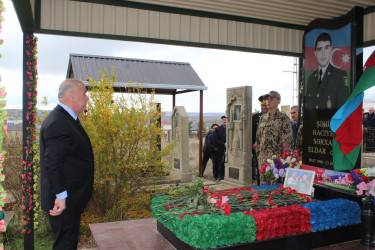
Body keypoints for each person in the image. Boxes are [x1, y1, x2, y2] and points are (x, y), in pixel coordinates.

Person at [40, 79, 94, 250]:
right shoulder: (59, 122)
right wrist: (61, 196)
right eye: (84, 93)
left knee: (68, 243)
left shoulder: (65, 119)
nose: (87, 98)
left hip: (70, 200)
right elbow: (52, 163)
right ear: (72, 95)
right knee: (65, 245)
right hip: (64, 203)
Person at [305, 32, 349, 110]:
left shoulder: (339, 76)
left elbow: (343, 109)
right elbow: (308, 109)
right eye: (319, 49)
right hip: (314, 122)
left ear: (331, 50)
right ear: (315, 53)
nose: (323, 53)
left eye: (326, 48)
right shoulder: (311, 78)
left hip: (332, 121)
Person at [255, 91, 293, 170]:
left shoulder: (283, 118)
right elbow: (258, 138)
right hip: (262, 161)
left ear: (278, 101)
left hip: (276, 162)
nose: (268, 101)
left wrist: (283, 161)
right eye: (267, 99)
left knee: (274, 182)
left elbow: (287, 142)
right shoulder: (263, 118)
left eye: (271, 99)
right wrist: (259, 156)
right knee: (262, 182)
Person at [252, 95, 268, 182]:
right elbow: (251, 133)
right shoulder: (255, 117)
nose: (264, 107)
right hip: (256, 147)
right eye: (262, 105)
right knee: (258, 167)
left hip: (268, 147)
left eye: (265, 105)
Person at [212, 116, 227, 180]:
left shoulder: (231, 128)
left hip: (230, 149)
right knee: (221, 163)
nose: (224, 121)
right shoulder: (218, 129)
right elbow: (216, 140)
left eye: (226, 119)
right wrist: (223, 143)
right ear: (221, 121)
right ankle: (221, 176)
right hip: (221, 149)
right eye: (223, 120)